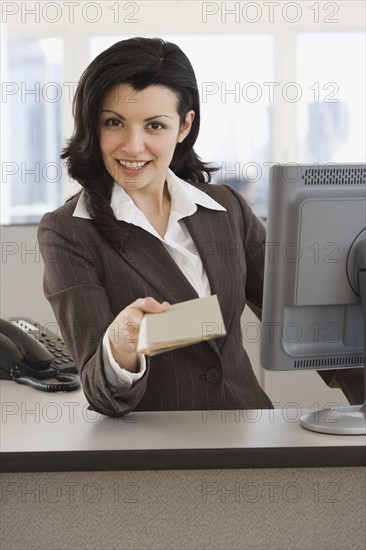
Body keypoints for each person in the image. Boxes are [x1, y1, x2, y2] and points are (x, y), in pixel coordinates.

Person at [38, 37, 363, 417]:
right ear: (93, 125)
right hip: (155, 454)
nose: (132, 145)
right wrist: (120, 344)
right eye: (115, 123)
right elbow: (100, 389)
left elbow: (306, 324)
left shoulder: (226, 208)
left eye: (154, 125)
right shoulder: (69, 232)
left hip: (248, 433)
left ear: (184, 125)